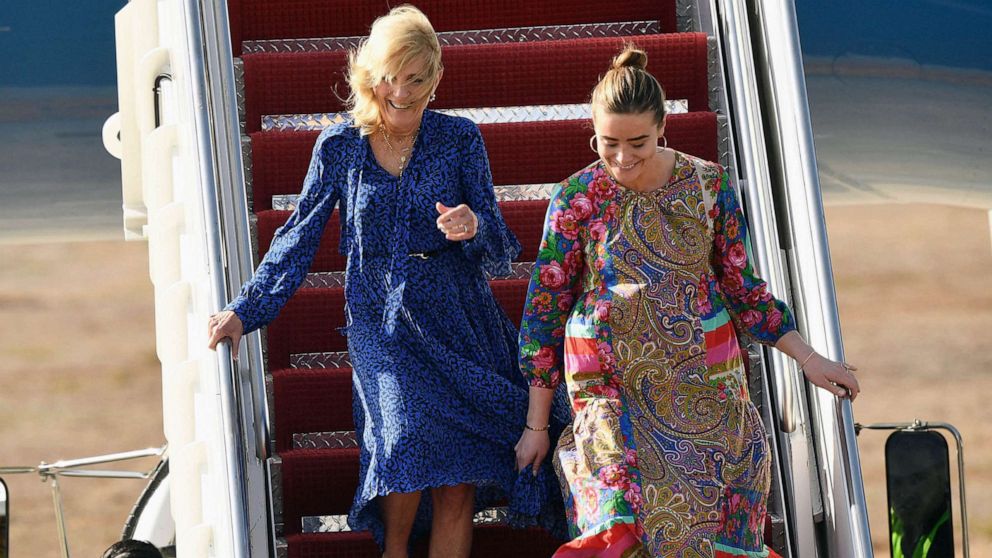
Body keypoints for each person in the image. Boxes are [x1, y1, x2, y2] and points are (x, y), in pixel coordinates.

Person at [207, 5, 565, 558]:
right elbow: (297, 238)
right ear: (369, 74)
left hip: (458, 318)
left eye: (416, 78)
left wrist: (472, 226)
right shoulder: (339, 146)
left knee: (456, 478)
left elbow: (497, 246)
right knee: (403, 442)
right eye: (390, 76)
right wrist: (245, 311)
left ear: (436, 78)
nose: (401, 90)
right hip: (382, 322)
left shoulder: (460, 139)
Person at [513, 45, 861, 557]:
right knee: (618, 528)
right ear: (592, 133)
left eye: (639, 143)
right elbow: (545, 310)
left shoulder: (709, 187)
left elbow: (743, 289)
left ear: (663, 131)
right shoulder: (575, 197)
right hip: (611, 391)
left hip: (706, 390)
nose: (623, 158)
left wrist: (809, 359)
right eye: (609, 143)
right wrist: (536, 426)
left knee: (710, 536)